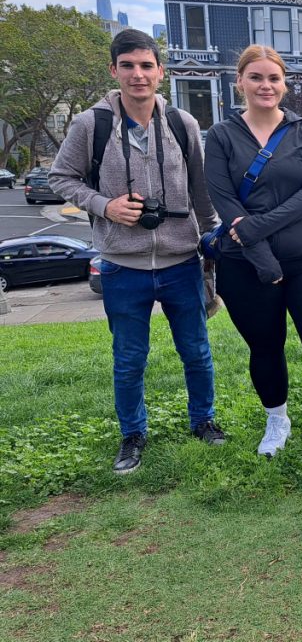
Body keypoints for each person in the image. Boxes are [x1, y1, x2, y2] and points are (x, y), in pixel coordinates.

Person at [49, 28, 224, 474]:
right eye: (128, 66)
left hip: (181, 261)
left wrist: (212, 240)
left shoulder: (183, 124)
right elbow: (61, 178)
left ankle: (204, 421)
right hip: (121, 265)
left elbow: (201, 192)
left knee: (197, 352)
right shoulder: (91, 124)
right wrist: (104, 205)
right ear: (114, 70)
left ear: (161, 72)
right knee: (129, 360)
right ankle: (132, 435)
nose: (138, 75)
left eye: (147, 65)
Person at [204, 45, 302, 464]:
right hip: (244, 265)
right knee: (265, 347)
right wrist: (261, 255)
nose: (265, 85)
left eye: (273, 78)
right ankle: (277, 421)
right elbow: (225, 199)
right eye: (256, 77)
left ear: (285, 84)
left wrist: (255, 228)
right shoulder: (222, 135)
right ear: (240, 82)